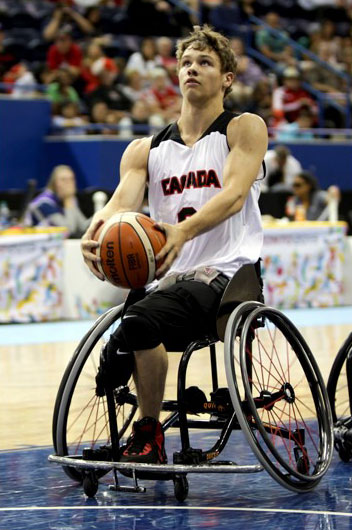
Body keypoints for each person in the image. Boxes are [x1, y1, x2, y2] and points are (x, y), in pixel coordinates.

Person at [81, 25, 268, 465]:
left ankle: (149, 436)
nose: (192, 69)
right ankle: (130, 424)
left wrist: (183, 232)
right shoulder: (146, 149)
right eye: (186, 62)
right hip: (170, 280)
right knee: (124, 337)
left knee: (140, 321)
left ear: (227, 78)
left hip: (227, 276)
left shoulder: (243, 129)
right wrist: (96, 231)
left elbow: (234, 194)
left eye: (205, 63)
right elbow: (119, 204)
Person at [27, 165, 89, 237]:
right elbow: (68, 230)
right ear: (55, 183)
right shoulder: (44, 203)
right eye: (63, 180)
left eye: (71, 179)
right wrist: (68, 202)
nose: (69, 183)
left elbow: (82, 226)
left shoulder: (69, 198)